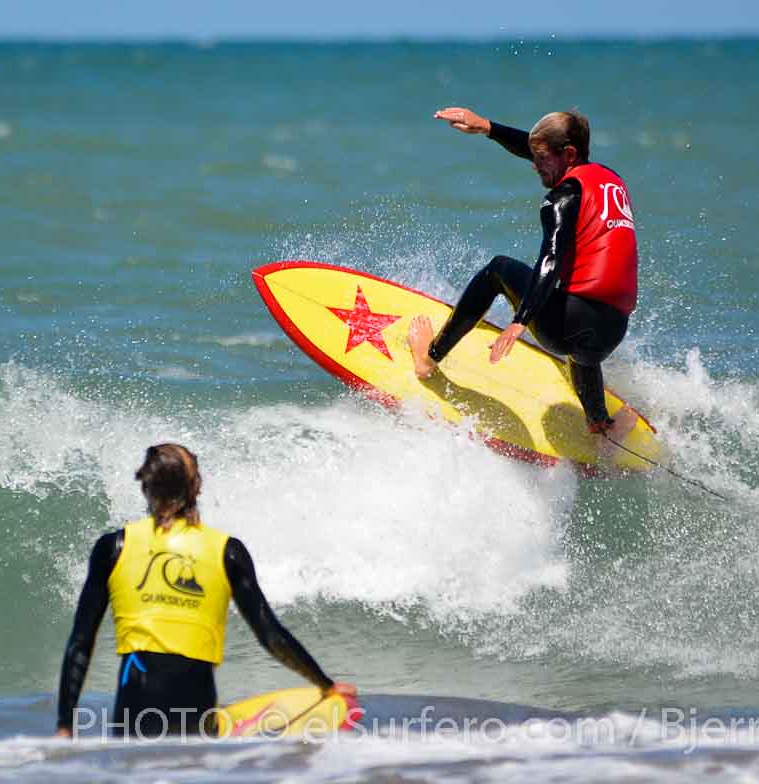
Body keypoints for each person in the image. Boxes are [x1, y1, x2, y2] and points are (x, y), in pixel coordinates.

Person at [54, 443, 355, 739]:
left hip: (135, 709)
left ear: (145, 488)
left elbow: (81, 640)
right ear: (196, 487)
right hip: (196, 709)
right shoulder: (226, 552)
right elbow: (269, 634)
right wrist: (325, 684)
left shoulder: (114, 548)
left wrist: (65, 725)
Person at [408, 106, 640, 445]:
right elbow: (541, 150)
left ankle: (428, 358)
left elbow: (552, 257)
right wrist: (487, 127)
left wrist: (520, 320)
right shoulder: (608, 179)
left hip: (567, 326)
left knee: (498, 270)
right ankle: (599, 423)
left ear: (569, 153)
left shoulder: (562, 198)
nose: (535, 166)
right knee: (581, 347)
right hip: (610, 331)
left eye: (542, 158)